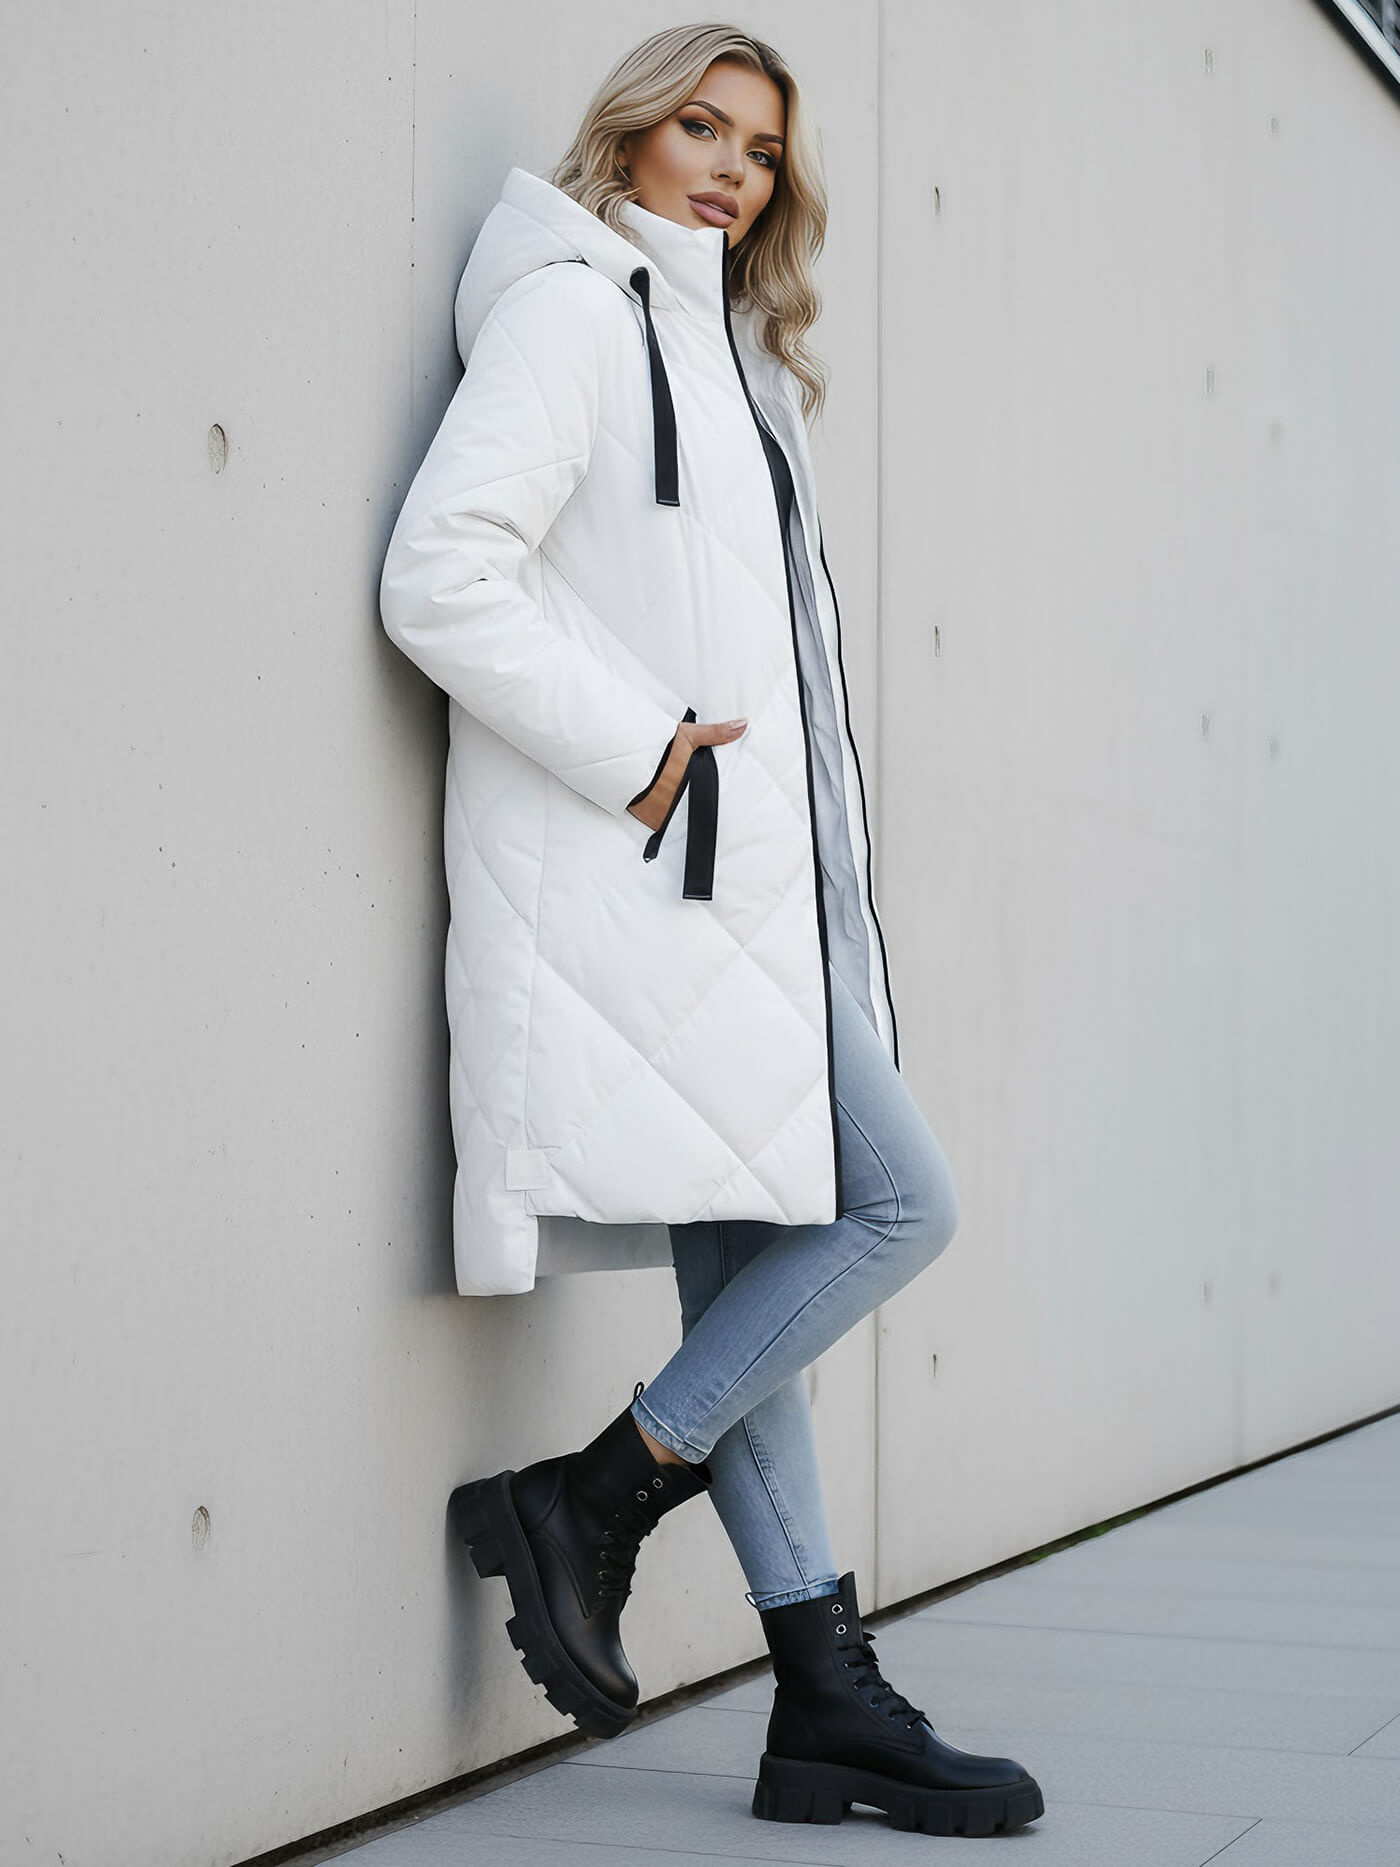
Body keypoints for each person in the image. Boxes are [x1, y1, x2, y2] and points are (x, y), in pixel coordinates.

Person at [379, 21, 1043, 1842]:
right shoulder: (576, 318)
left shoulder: (730, 356)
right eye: (703, 127)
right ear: (629, 135)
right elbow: (440, 572)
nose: (733, 171)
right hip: (657, 892)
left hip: (742, 903)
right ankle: (596, 1493)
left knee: (753, 1292)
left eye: (760, 150)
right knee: (901, 1205)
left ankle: (820, 1697)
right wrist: (647, 753)